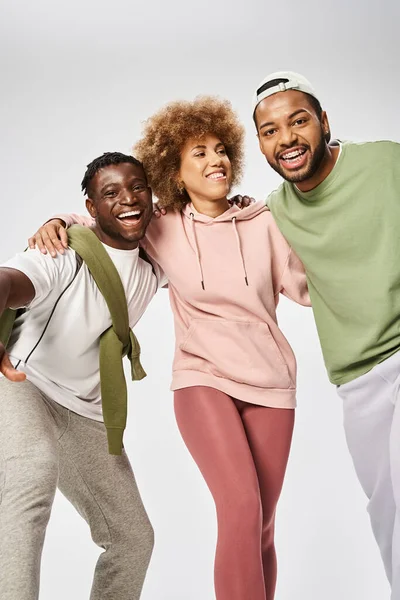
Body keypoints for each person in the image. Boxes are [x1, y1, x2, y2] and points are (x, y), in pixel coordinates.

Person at [28, 96, 310, 600]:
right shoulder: (162, 225)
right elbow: (105, 223)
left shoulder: (266, 222)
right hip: (203, 381)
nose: (215, 160)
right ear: (174, 172)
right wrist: (57, 221)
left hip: (272, 384)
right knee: (241, 507)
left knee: (263, 524)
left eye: (221, 149)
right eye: (198, 153)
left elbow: (310, 289)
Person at [251, 71, 400, 598]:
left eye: (298, 121)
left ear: (324, 122)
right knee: (385, 508)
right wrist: (67, 221)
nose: (286, 138)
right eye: (269, 131)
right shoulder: (277, 211)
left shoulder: (386, 162)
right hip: (355, 378)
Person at [0, 151, 165, 600]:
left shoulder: (158, 260)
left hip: (86, 411)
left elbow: (196, 219)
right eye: (109, 193)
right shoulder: (64, 253)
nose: (127, 200)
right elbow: (7, 281)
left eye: (136, 188)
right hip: (23, 383)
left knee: (132, 539)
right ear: (92, 209)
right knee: (31, 480)